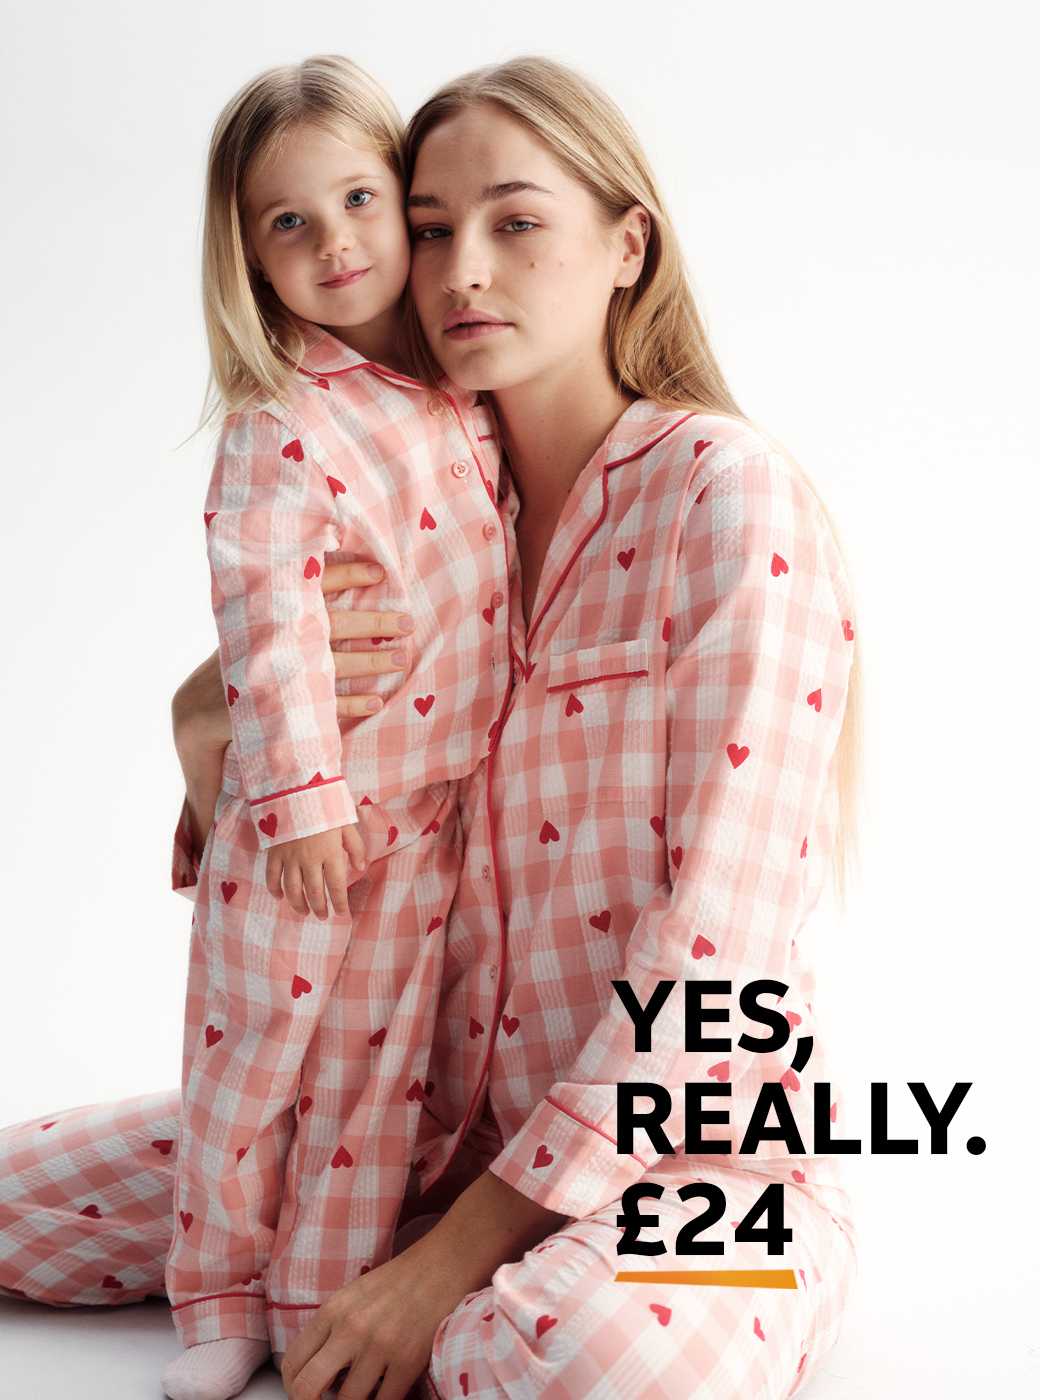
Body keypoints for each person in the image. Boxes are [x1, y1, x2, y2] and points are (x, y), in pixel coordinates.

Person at [0, 55, 862, 1400]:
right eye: (432, 222)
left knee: (556, 1353)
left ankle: (507, 1287)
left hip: (698, 1164)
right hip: (403, 1127)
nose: (462, 269)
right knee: (14, 1200)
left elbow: (719, 943)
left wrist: (450, 1258)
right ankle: (362, 1272)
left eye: (517, 224)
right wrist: (200, 723)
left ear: (627, 243)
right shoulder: (415, 501)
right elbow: (298, 816)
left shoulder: (723, 498)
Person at [167, 53, 515, 1400]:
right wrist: (301, 803)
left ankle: (317, 1296)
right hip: (302, 827)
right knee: (254, 1067)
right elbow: (267, 622)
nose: (336, 244)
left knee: (369, 1081)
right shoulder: (279, 423)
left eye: (361, 200)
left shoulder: (459, 393)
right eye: (290, 222)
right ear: (247, 253)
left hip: (426, 824)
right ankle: (214, 1300)